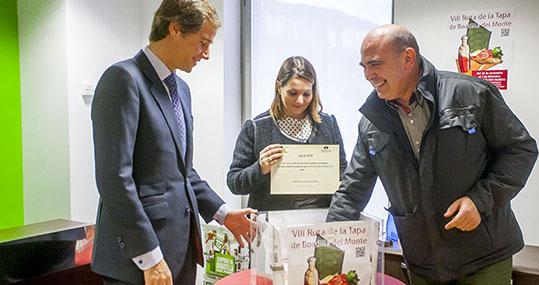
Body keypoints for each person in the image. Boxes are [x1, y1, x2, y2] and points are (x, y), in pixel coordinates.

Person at [327, 24, 538, 284]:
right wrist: (323, 243)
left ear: (407, 58)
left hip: (483, 257)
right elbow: (352, 188)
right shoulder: (372, 121)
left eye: (375, 64)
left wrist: (479, 201)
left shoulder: (471, 94)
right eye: (364, 67)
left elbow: (520, 149)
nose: (368, 75)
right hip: (423, 264)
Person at [91, 1, 256, 284]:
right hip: (138, 260)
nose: (206, 54)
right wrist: (150, 257)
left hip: (180, 253)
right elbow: (114, 179)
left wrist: (223, 214)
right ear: (176, 28)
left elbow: (183, 171)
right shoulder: (123, 79)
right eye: (203, 43)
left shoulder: (181, 89)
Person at [227, 56, 347, 211]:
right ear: (279, 86)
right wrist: (260, 168)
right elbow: (234, 183)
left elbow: (343, 172)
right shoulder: (256, 128)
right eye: (292, 93)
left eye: (306, 94)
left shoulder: (328, 124)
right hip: (272, 224)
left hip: (320, 222)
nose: (300, 101)